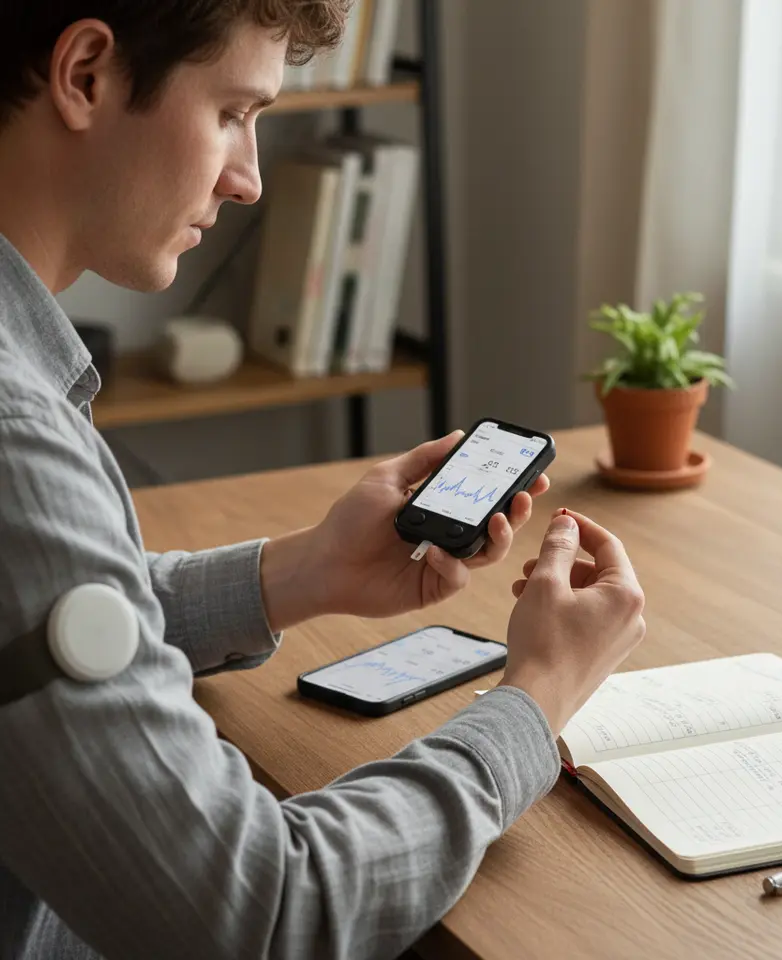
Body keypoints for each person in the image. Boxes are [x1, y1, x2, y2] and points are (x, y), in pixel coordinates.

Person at [0, 2, 647, 958]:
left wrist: (303, 572)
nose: (249, 178)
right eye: (232, 112)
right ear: (87, 74)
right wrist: (537, 699)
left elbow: (31, 625)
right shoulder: (15, 437)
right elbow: (263, 911)